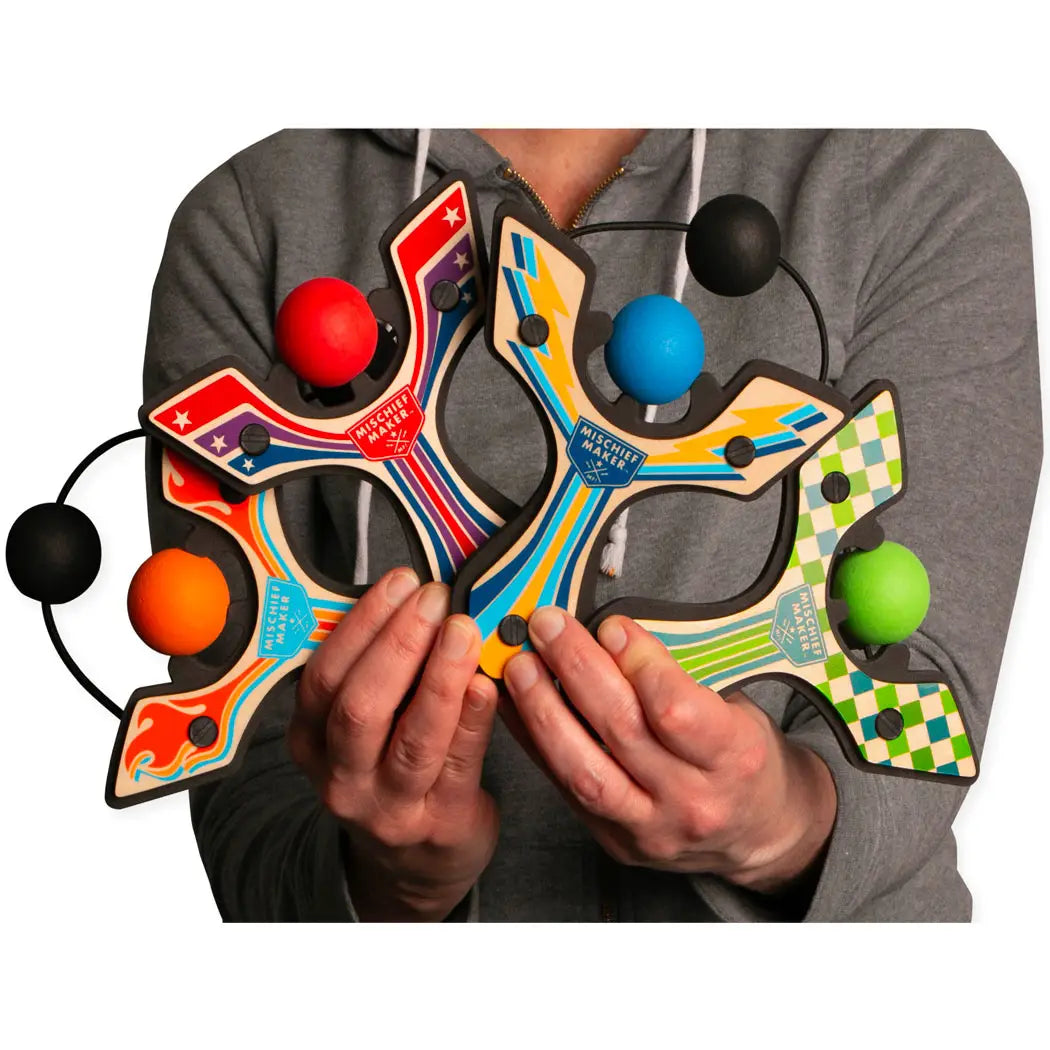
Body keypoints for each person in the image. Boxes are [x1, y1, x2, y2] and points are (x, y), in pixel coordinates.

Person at [144, 128, 1040, 921]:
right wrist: (389, 884)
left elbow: (925, 709)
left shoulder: (911, 171)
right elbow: (244, 797)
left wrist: (781, 824)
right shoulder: (253, 214)